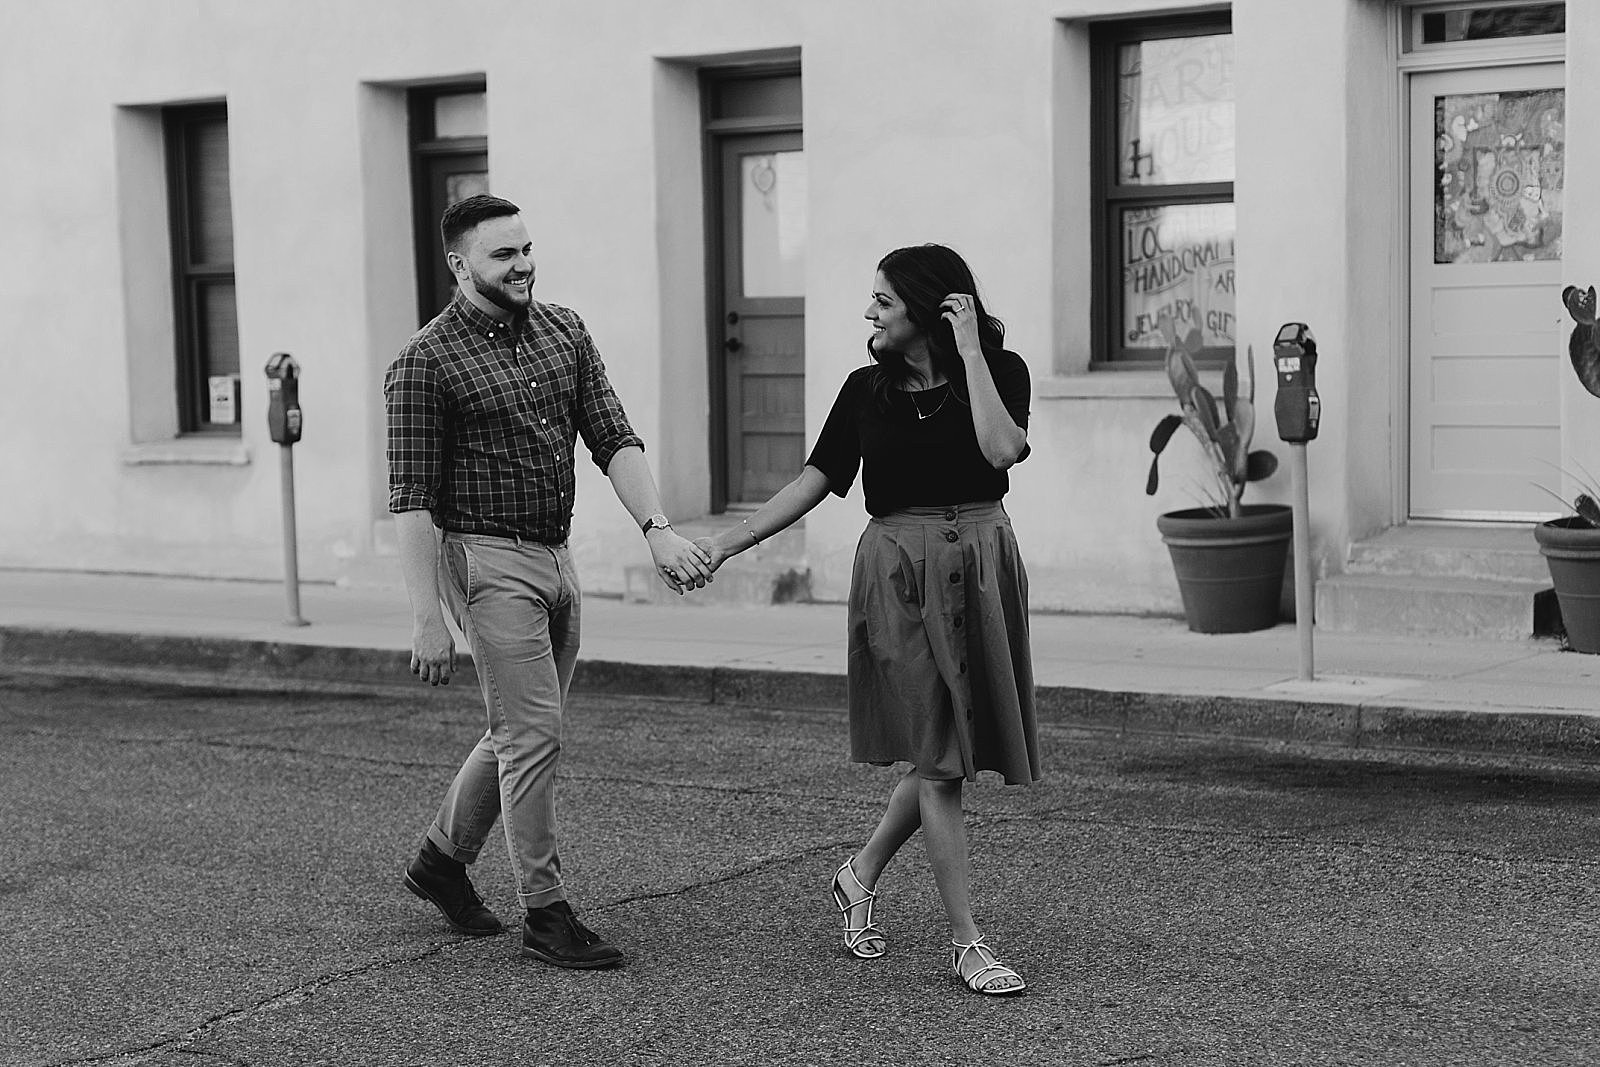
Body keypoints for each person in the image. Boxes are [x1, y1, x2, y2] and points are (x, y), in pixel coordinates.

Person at [694, 244, 1038, 995]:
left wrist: (972, 351)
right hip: (896, 571)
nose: (869, 311)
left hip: (980, 555)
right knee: (939, 755)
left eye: (883, 299)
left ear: (930, 308)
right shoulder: (863, 391)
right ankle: (967, 942)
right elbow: (816, 479)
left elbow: (1002, 449)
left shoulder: (1000, 372)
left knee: (936, 750)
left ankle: (859, 872)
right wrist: (727, 543)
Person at [384, 193, 712, 969]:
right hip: (484, 560)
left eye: (527, 248)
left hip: (556, 555)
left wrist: (657, 528)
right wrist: (427, 616)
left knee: (521, 729)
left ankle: (440, 860)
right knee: (534, 734)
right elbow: (411, 503)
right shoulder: (425, 362)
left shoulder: (564, 330)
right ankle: (547, 912)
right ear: (462, 266)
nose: (524, 263)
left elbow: (612, 434)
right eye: (504, 254)